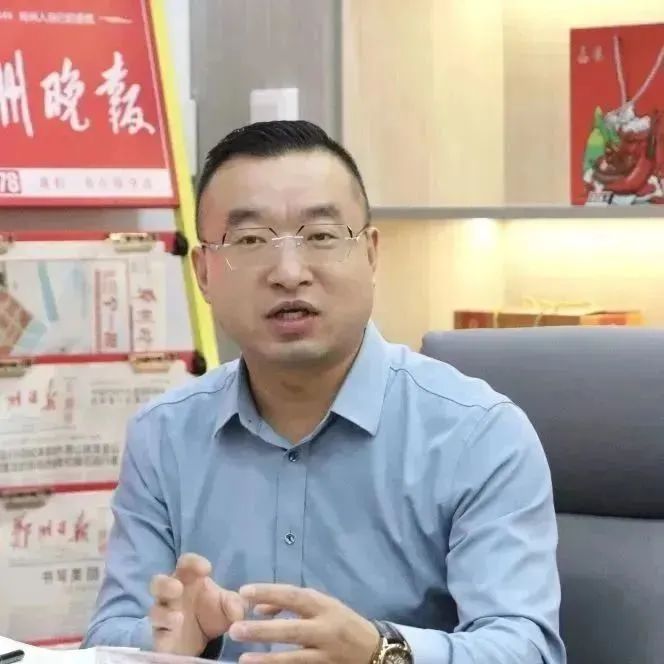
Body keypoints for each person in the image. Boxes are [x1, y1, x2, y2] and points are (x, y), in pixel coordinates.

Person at [83, 120, 566, 664]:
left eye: (320, 236)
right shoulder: (163, 435)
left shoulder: (478, 433)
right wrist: (180, 640)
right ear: (204, 272)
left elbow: (526, 650)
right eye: (250, 241)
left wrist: (382, 651)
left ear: (371, 254)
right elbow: (106, 639)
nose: (289, 273)